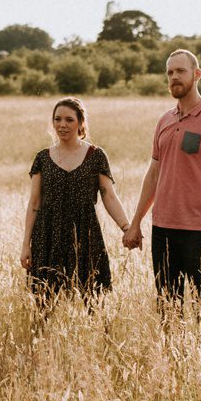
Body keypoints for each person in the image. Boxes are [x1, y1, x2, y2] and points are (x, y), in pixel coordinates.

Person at [122, 49, 201, 318]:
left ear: (197, 75)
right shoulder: (164, 120)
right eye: (170, 73)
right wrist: (137, 221)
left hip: (199, 231)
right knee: (167, 307)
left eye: (180, 71)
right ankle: (172, 360)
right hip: (162, 229)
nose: (174, 77)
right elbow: (153, 174)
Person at [20, 97, 132, 302]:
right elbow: (34, 203)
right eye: (57, 119)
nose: (62, 125)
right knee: (44, 304)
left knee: (95, 301)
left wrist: (127, 228)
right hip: (48, 235)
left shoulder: (96, 155)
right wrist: (26, 244)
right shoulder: (42, 158)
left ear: (81, 123)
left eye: (69, 120)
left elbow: (110, 197)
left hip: (85, 234)